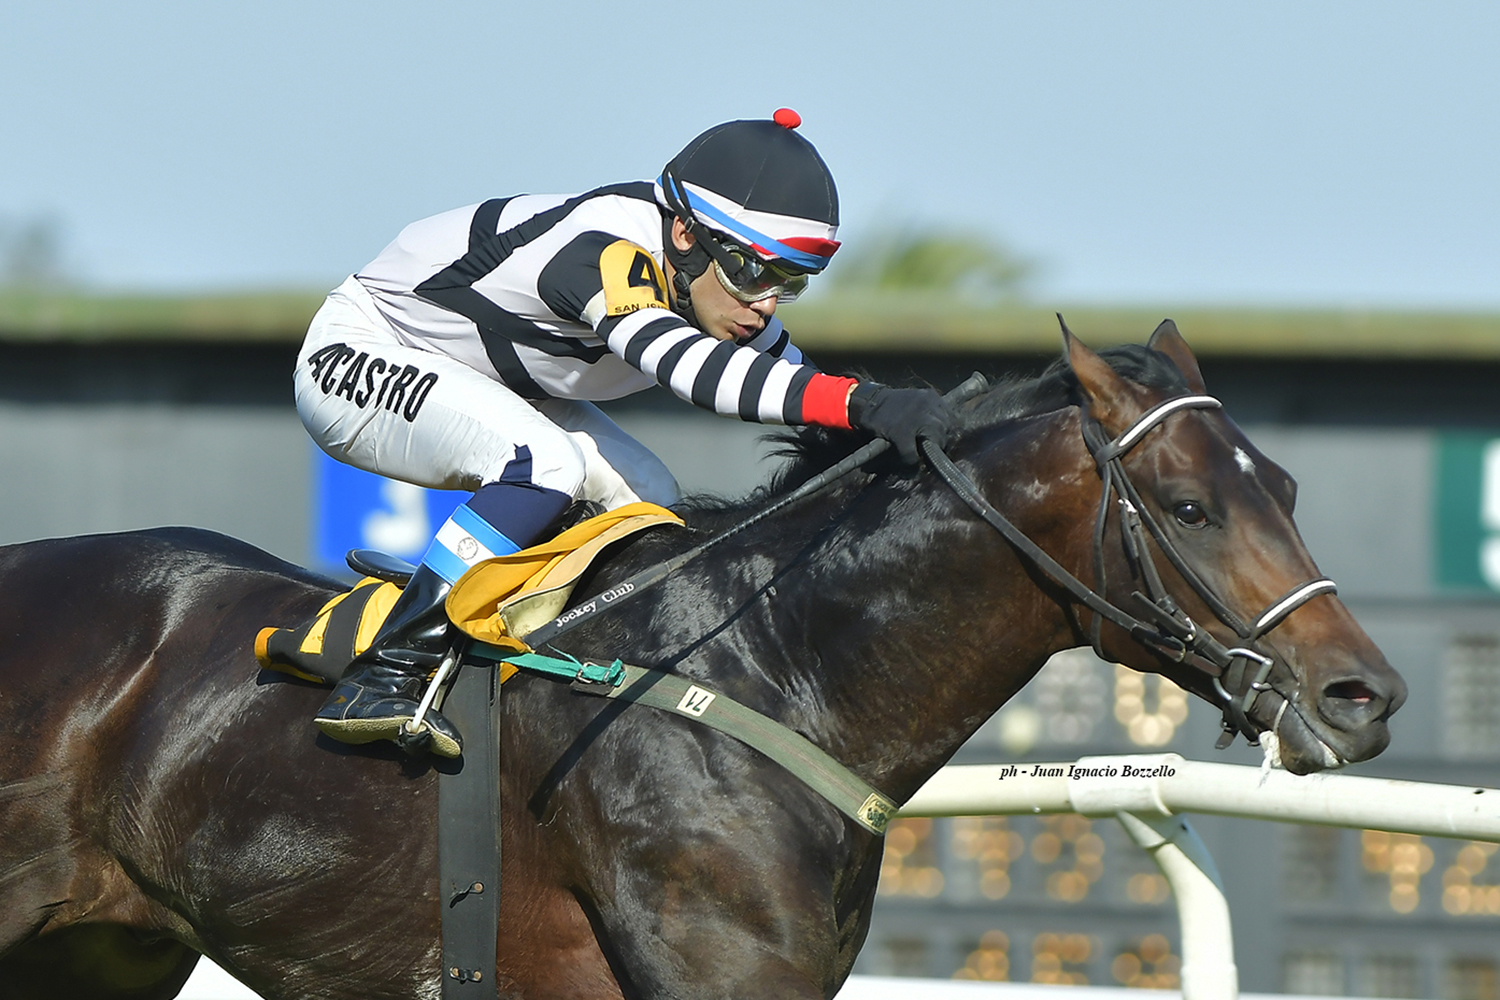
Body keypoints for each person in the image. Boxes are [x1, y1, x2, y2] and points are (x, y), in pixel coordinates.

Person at [294, 109, 955, 758]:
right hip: (358, 351)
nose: (763, 305)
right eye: (753, 272)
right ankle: (386, 671)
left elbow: (805, 391)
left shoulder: (708, 278)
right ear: (686, 234)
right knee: (544, 463)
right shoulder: (605, 250)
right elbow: (695, 372)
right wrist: (866, 403)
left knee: (650, 504)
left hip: (491, 383)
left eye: (788, 281)